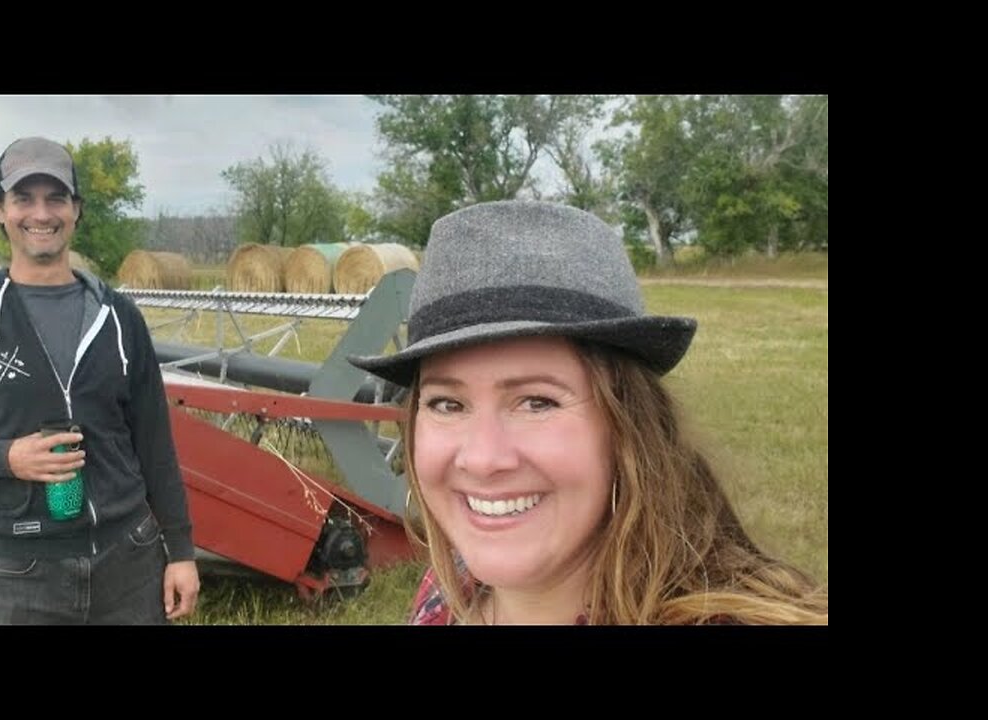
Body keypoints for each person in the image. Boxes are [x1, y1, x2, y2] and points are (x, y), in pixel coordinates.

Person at [349, 201, 827, 625]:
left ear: (629, 428)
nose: (482, 459)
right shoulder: (449, 587)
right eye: (447, 404)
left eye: (538, 401)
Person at [0, 137, 199, 624]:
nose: (41, 213)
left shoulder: (119, 317)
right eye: (23, 198)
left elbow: (154, 441)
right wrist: (4, 457)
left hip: (131, 560)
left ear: (76, 210)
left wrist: (180, 550)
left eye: (56, 197)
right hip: (17, 572)